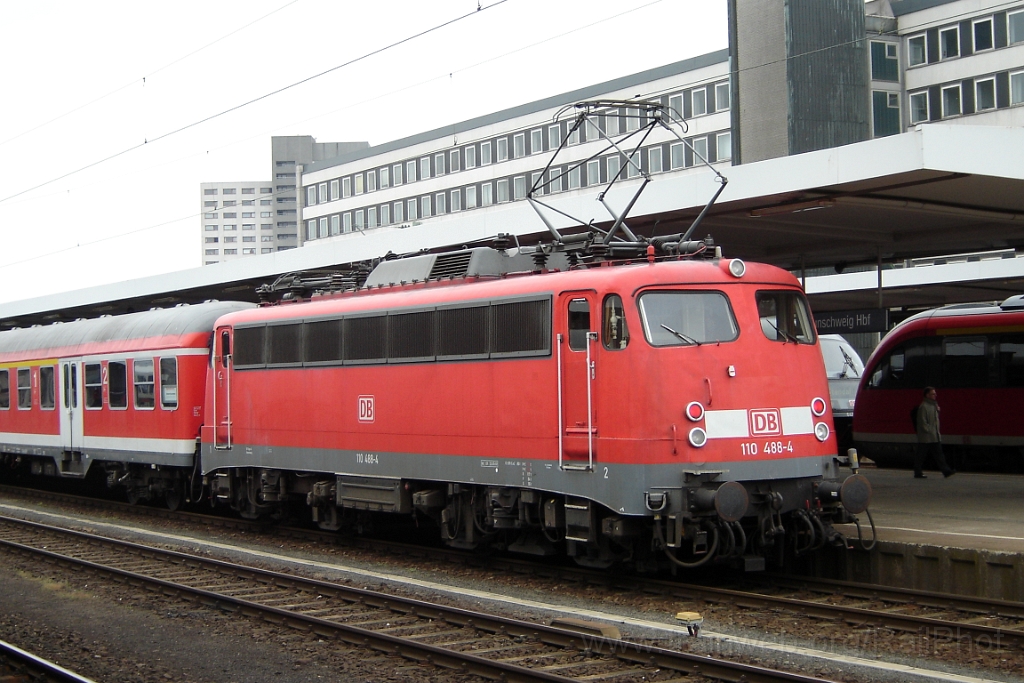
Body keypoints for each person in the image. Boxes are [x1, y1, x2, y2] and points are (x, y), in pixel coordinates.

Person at [914, 386, 955, 479]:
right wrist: (928, 430)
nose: (935, 395)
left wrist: (938, 412)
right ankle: (918, 471)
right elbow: (922, 422)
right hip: (926, 437)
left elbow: (934, 420)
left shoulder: (934, 405)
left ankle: (946, 471)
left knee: (939, 455)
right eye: (933, 394)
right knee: (921, 455)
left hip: (934, 435)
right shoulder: (923, 407)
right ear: (927, 395)